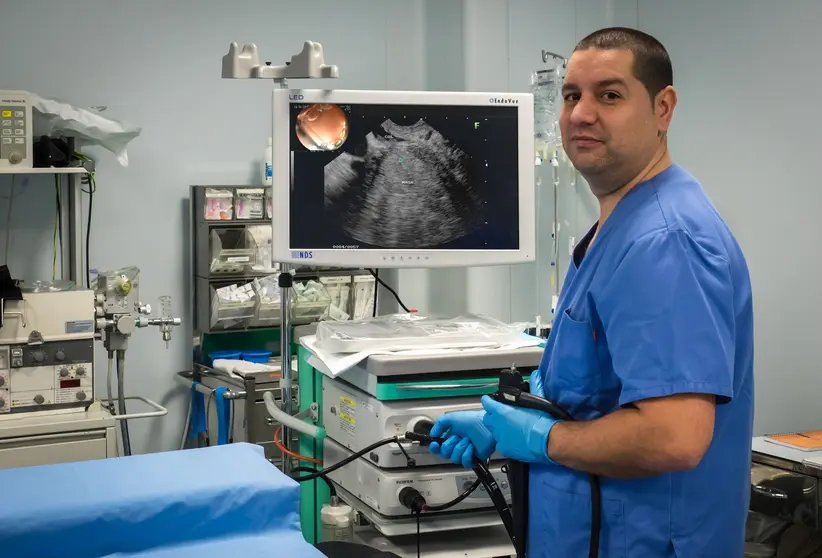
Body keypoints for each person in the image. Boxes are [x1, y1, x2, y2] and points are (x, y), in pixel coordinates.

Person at [429, 27, 754, 557]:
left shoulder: (664, 242)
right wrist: (509, 425)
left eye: (609, 95)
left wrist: (539, 440)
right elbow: (593, 384)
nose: (580, 114)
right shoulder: (619, 226)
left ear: (663, 108)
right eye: (571, 95)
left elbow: (674, 436)